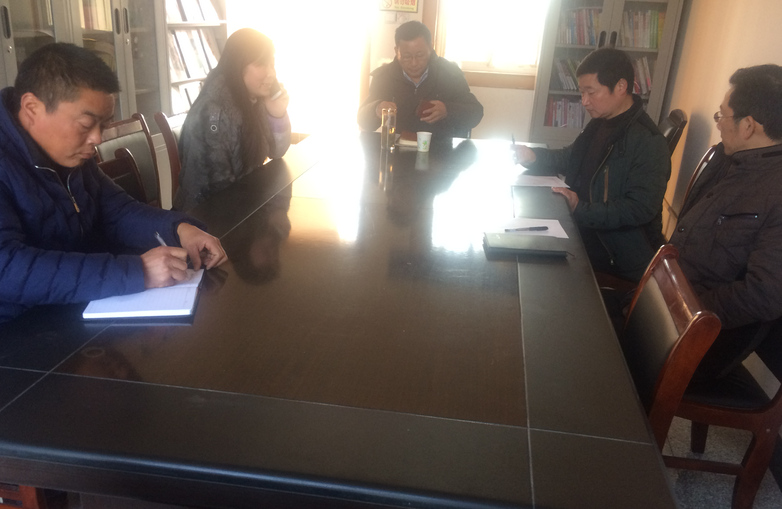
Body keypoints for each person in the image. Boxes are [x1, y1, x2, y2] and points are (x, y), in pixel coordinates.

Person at [0, 43, 227, 323]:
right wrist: (136, 272)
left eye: (104, 125)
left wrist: (179, 229)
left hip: (75, 304)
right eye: (86, 125)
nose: (97, 139)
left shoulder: (70, 155)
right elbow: (6, 267)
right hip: (19, 327)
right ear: (32, 108)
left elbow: (117, 211)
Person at [515, 48, 670, 282]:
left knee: (536, 264)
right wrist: (534, 157)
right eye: (582, 92)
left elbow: (638, 208)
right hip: (584, 226)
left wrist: (580, 208)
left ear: (621, 86)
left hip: (614, 251)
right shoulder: (601, 121)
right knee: (524, 240)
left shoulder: (649, 141)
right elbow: (572, 158)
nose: (584, 101)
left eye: (591, 92)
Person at [670, 64, 782, 380]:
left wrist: (685, 310)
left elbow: (765, 294)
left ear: (748, 125)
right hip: (669, 306)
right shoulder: (729, 160)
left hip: (700, 338)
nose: (718, 123)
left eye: (723, 116)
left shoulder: (774, 190)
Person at [175, 28, 292, 211]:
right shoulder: (214, 114)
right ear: (238, 66)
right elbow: (214, 190)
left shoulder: (251, 101)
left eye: (272, 64)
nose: (271, 74)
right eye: (262, 64)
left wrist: (277, 113)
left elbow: (277, 152)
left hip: (240, 206)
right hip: (208, 218)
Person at [357, 21, 483, 139]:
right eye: (407, 56)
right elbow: (362, 120)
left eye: (420, 55)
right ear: (396, 51)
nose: (414, 63)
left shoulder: (450, 73)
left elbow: (475, 113)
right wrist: (376, 109)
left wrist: (447, 110)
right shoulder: (384, 77)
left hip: (440, 148)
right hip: (398, 148)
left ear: (430, 48)